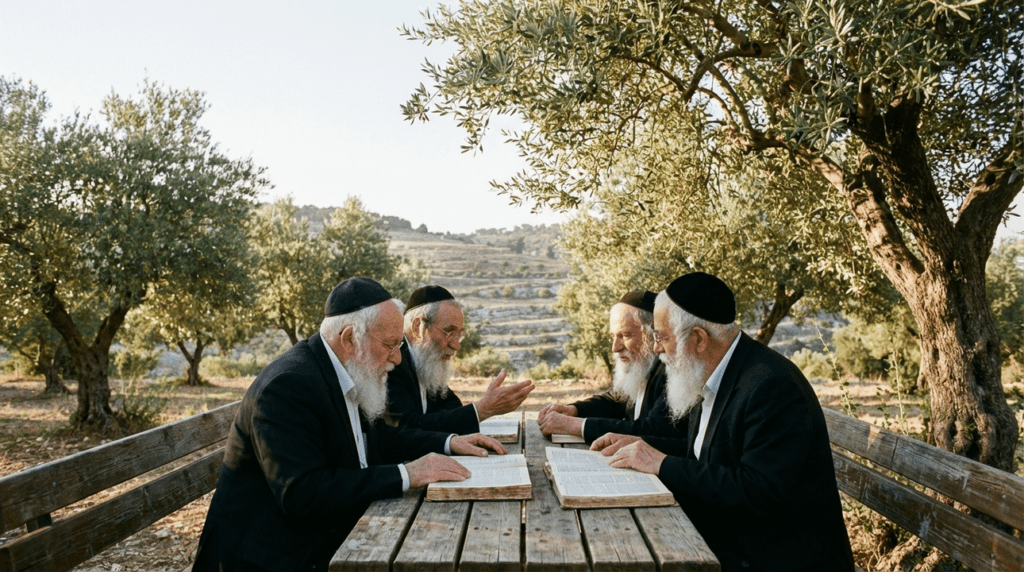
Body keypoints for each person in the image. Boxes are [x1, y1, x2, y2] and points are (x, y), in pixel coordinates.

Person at [193, 277, 506, 572]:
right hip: (268, 558)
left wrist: (448, 443)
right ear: (349, 338)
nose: (398, 360)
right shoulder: (289, 386)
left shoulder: (343, 368)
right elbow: (302, 493)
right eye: (390, 345)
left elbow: (382, 437)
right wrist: (407, 474)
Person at [592, 272, 855, 572]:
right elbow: (704, 455)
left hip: (776, 559)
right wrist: (641, 447)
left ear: (698, 339)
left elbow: (757, 492)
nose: (656, 349)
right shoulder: (714, 371)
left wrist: (661, 463)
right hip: (737, 542)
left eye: (663, 337)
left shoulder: (771, 387)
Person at [537, 289, 683, 442]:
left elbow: (653, 430)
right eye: (613, 336)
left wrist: (578, 426)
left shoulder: (672, 371)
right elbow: (616, 400)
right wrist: (574, 410)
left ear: (653, 334)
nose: (615, 347)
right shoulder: (642, 365)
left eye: (625, 335)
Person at [385, 284, 534, 433]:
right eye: (449, 332)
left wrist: (480, 409)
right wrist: (481, 410)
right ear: (418, 327)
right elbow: (406, 428)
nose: (456, 345)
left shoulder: (424, 360)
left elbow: (450, 405)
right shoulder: (392, 362)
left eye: (459, 335)